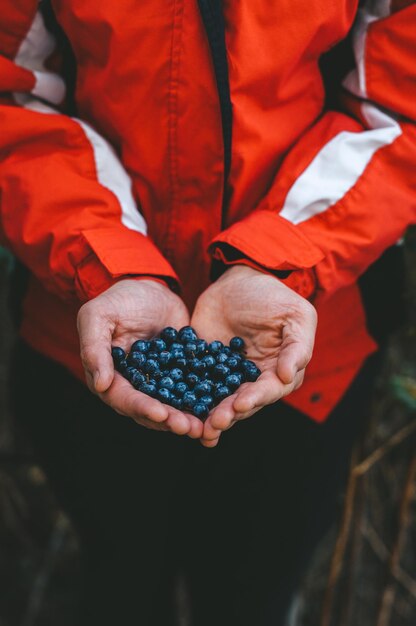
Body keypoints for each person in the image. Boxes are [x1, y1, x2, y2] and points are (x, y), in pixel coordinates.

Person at [1, 0, 415, 624]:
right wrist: (110, 259)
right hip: (92, 335)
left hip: (301, 354)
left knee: (254, 594)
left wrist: (279, 259)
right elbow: (14, 95)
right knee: (121, 581)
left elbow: (399, 105)